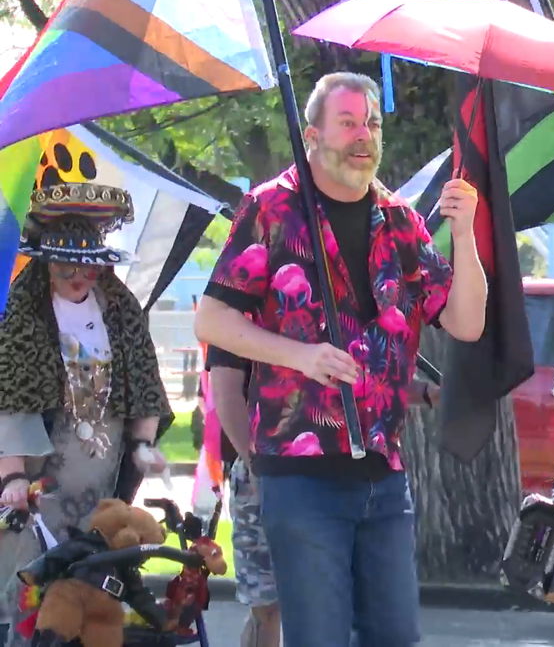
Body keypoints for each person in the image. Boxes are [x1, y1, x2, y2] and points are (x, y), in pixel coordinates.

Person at [194, 72, 486, 647]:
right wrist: (299, 356)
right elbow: (212, 319)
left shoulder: (399, 220)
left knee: (395, 636)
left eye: (372, 123)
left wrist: (466, 232)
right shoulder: (272, 208)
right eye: (348, 122)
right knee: (319, 636)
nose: (364, 135)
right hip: (301, 476)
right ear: (312, 135)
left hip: (382, 472)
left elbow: (466, 322)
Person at [0, 183, 171, 646]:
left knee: (93, 594)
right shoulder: (24, 313)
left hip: (102, 479)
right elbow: (9, 396)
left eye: (88, 266)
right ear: (46, 262)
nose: (78, 277)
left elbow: (144, 384)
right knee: (31, 600)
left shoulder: (121, 311)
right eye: (66, 265)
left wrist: (143, 445)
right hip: (40, 488)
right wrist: (10, 478)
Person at [206, 345, 440, 647]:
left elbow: (368, 380)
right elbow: (226, 395)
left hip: (350, 472)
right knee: (268, 604)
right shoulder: (241, 312)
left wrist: (424, 393)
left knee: (349, 609)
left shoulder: (336, 311)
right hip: (266, 469)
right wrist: (255, 465)